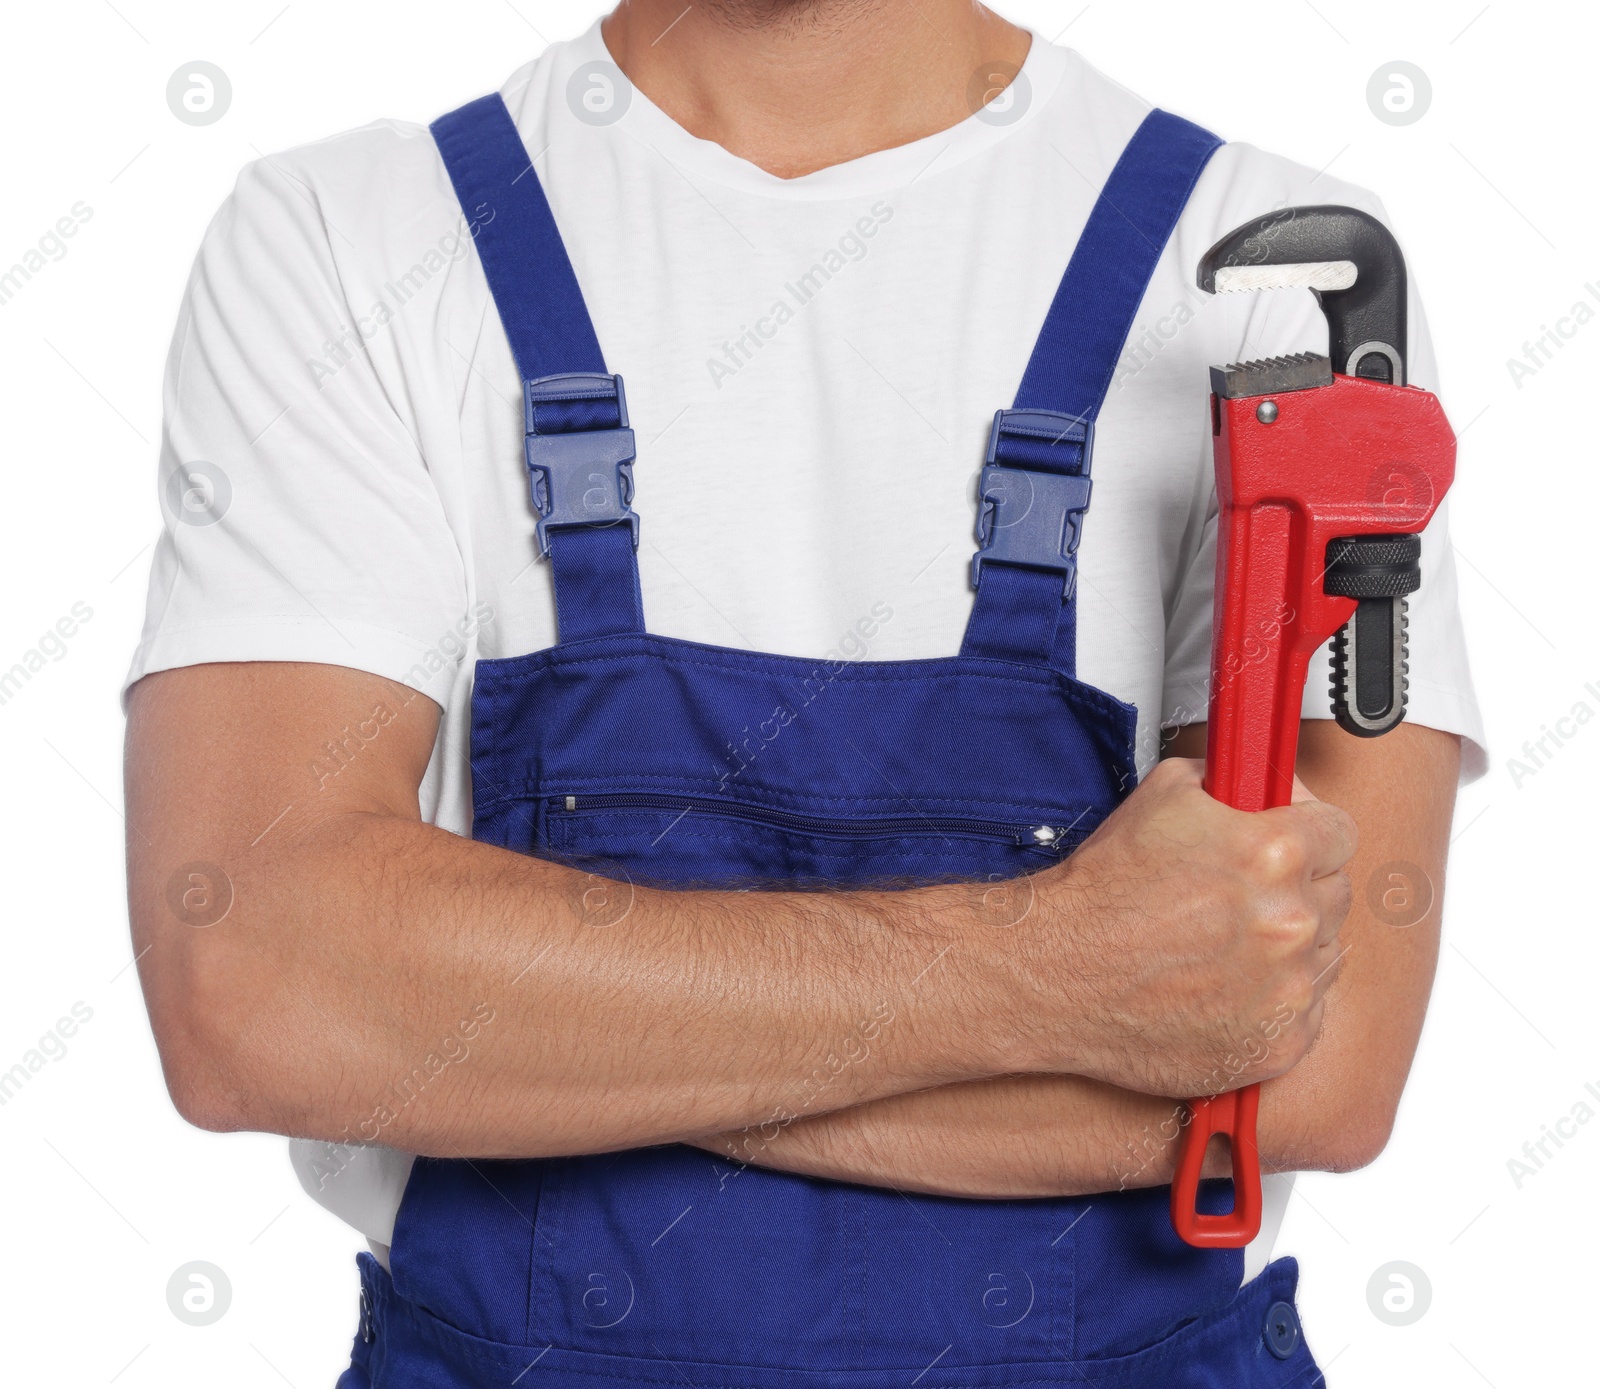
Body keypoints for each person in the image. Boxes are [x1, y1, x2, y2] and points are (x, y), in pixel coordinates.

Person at [124, 1, 1482, 1384]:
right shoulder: (354, 242)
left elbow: (1312, 1063)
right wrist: (1052, 969)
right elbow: (260, 979)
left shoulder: (1263, 272)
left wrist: (553, 1039)